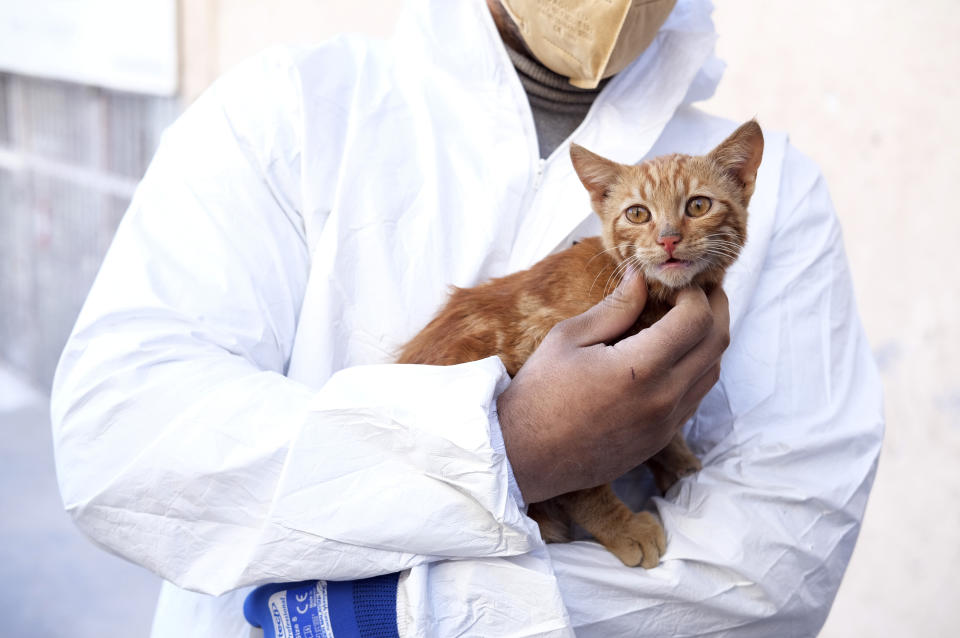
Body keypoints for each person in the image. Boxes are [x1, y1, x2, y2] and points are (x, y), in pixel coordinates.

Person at [50, 0, 884, 636]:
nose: (669, 233)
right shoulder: (291, 107)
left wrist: (386, 612)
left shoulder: (782, 193)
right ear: (606, 203)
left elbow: (783, 551)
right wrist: (513, 448)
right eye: (642, 219)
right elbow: (122, 437)